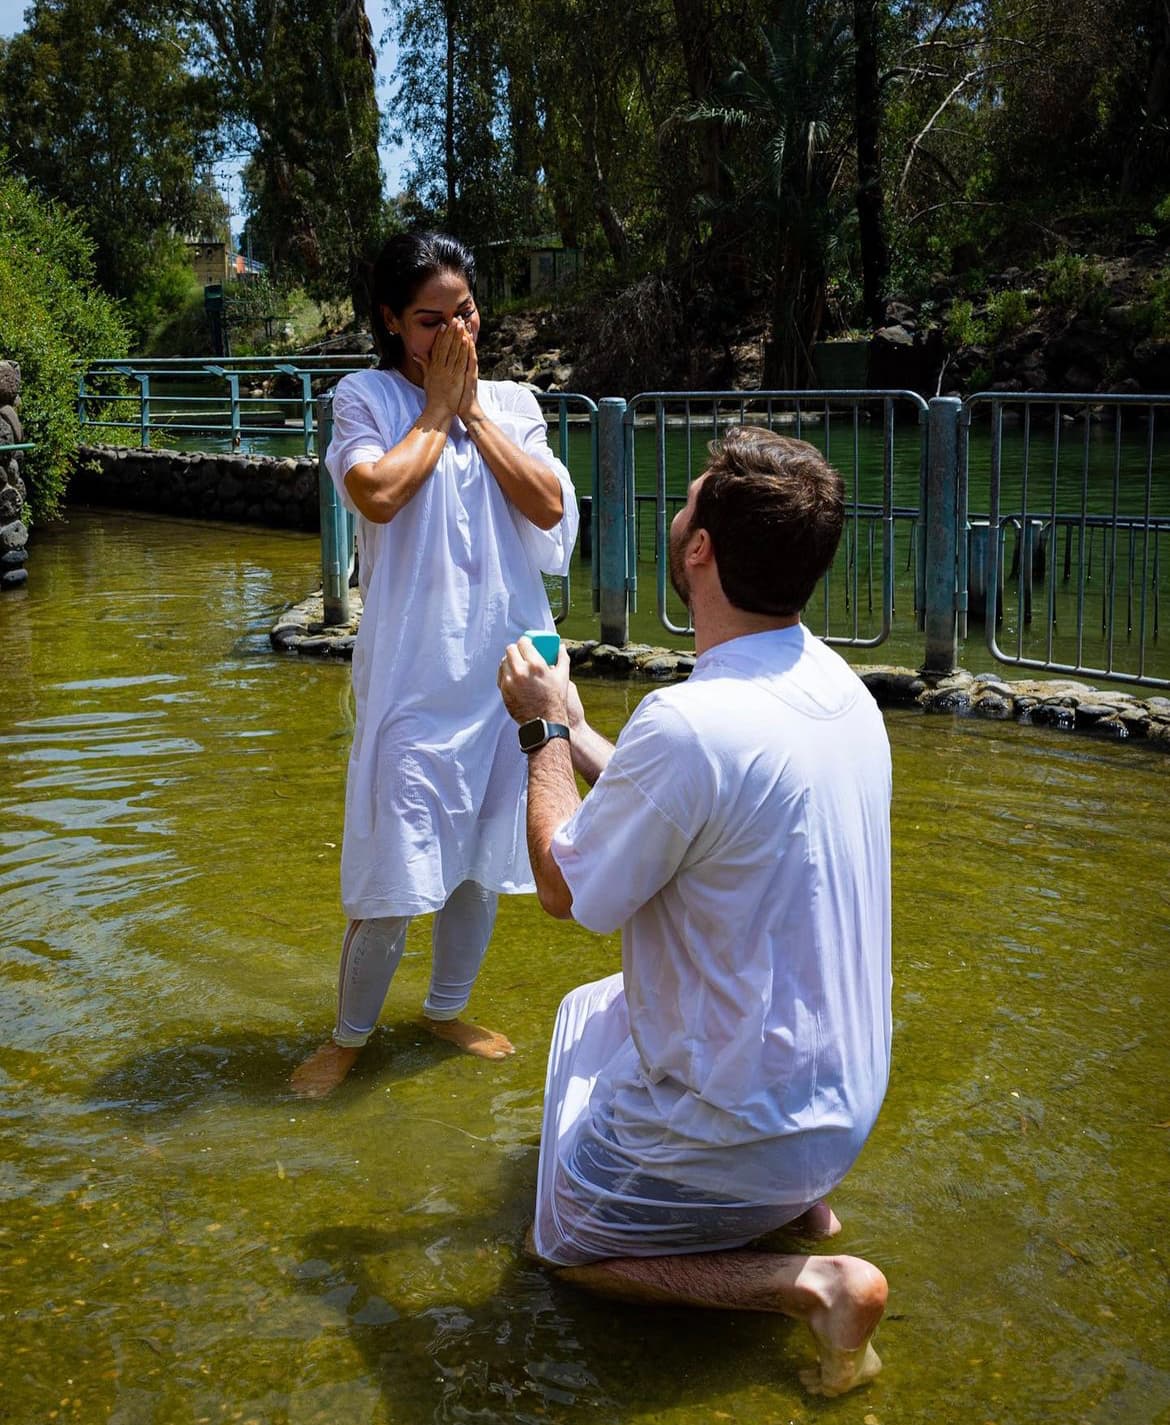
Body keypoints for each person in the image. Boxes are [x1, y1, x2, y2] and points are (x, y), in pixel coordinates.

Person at [497, 425, 892, 1397]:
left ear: (700, 549)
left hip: (754, 1124)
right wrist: (589, 730)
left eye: (687, 502)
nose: (676, 515)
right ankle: (802, 1203)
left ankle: (812, 1284)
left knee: (564, 1244)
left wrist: (544, 729)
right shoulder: (837, 687)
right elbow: (687, 796)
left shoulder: (690, 725)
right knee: (601, 1004)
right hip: (846, 1096)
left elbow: (566, 887)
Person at [292, 231, 579, 1098]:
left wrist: (475, 412)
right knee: (391, 876)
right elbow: (375, 491)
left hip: (510, 670)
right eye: (429, 319)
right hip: (415, 680)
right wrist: (434, 412)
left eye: (464, 313)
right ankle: (347, 1036)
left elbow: (551, 508)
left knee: (484, 859)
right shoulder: (365, 397)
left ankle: (444, 1008)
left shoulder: (514, 403)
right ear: (390, 320)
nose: (452, 333)